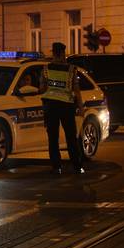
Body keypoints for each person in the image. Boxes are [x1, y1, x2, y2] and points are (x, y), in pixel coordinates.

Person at [40, 42, 85, 175]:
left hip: (51, 107)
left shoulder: (46, 69)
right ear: (62, 53)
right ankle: (77, 166)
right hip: (66, 106)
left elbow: (42, 88)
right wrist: (81, 107)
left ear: (53, 53)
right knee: (71, 137)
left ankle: (56, 167)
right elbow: (76, 90)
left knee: (53, 138)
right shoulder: (71, 69)